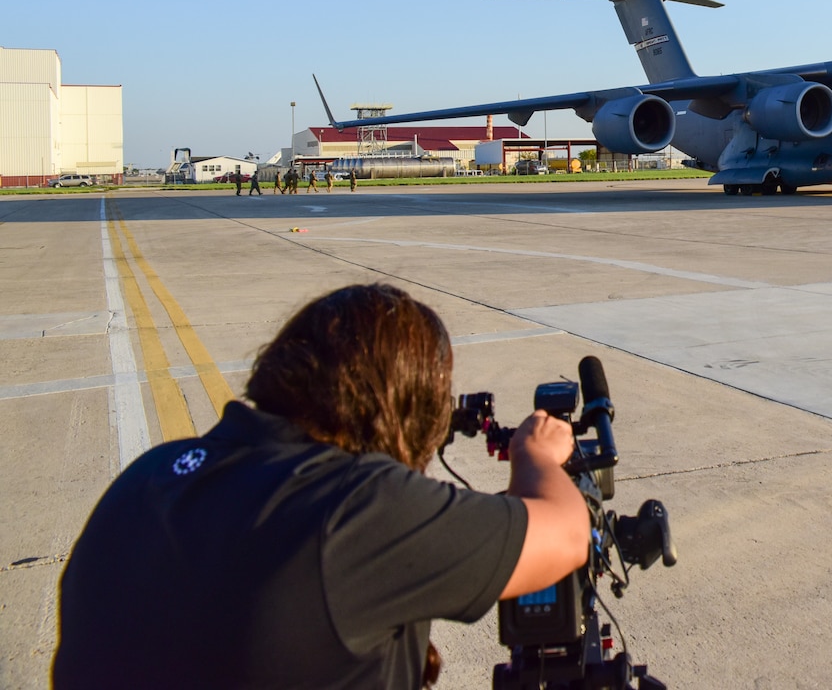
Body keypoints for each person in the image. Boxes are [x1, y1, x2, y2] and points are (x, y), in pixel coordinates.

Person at [55, 284, 589, 689]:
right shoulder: (355, 509)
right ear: (401, 404)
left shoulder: (146, 477)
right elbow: (565, 534)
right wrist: (534, 454)